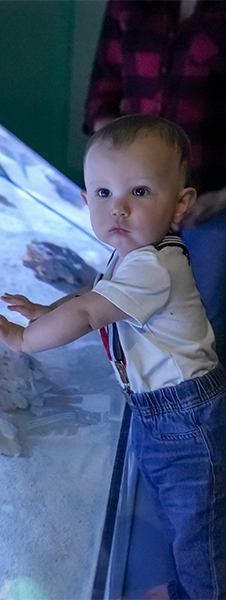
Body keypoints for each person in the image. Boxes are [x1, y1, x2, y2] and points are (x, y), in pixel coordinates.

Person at [0, 115, 226, 600]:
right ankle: (189, 588)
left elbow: (91, 313)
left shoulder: (154, 266)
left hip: (186, 418)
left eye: (140, 192)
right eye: (104, 194)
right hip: (163, 412)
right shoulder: (134, 254)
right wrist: (49, 308)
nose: (120, 210)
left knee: (198, 527)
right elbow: (95, 294)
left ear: (180, 204)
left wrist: (24, 338)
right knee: (180, 512)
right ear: (86, 199)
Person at [83, 0, 226, 362]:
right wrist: (116, 181)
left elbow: (85, 314)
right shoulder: (126, 5)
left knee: (204, 333)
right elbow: (102, 97)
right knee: (129, 323)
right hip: (135, 199)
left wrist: (27, 337)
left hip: (211, 204)